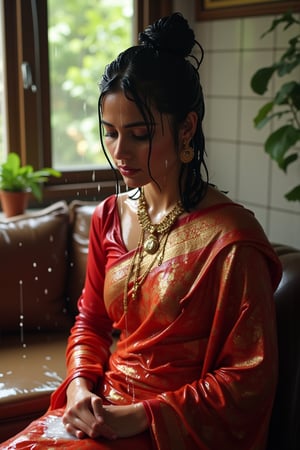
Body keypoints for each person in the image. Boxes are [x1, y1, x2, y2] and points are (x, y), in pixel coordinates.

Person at [2, 12, 282, 450]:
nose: (119, 153)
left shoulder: (231, 240)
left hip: (170, 428)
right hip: (101, 410)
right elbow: (91, 322)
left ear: (186, 128)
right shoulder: (110, 217)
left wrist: (143, 416)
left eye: (138, 134)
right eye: (110, 134)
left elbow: (248, 379)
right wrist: (78, 388)